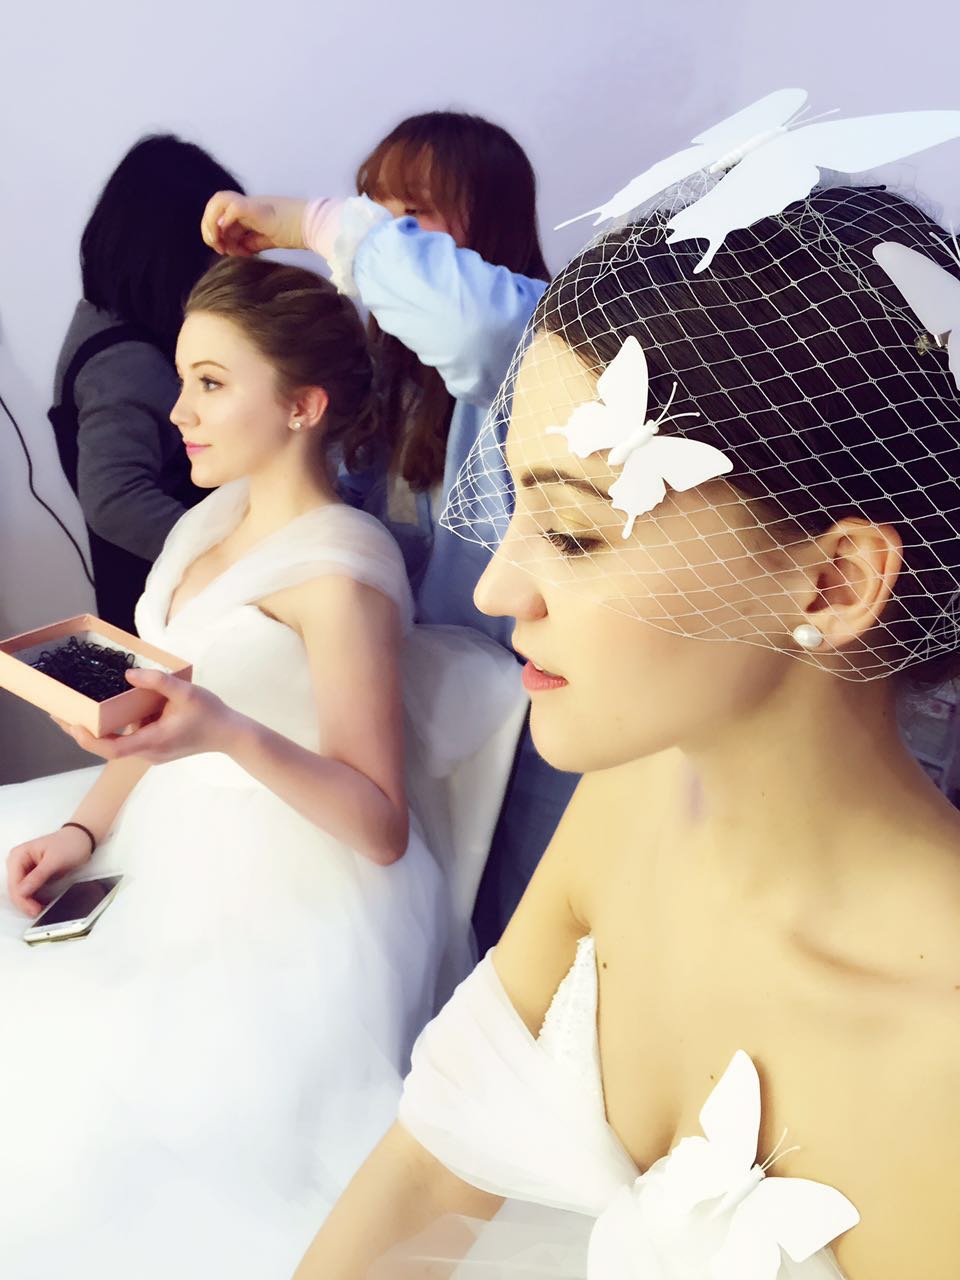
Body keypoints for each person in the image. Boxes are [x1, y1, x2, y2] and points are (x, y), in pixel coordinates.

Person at [290, 172, 960, 1280]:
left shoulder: (939, 1061)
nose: (498, 588)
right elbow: (427, 1173)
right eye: (517, 507)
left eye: (574, 534)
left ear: (834, 581)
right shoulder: (627, 806)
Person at [0, 257, 520, 1278]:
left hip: (296, 886)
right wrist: (82, 828)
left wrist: (229, 734)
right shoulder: (207, 526)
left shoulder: (341, 575)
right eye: (184, 379)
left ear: (302, 405)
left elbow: (380, 827)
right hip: (167, 832)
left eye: (210, 382)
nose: (178, 412)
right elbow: (162, 723)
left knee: (119, 1117)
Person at [200, 112, 580, 947]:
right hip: (422, 704)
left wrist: (312, 222)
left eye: (416, 213)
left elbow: (475, 327)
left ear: (492, 224)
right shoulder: (388, 379)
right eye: (377, 208)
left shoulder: (546, 337)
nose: (390, 234)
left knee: (537, 924)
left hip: (539, 707)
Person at [50, 134, 244, 631]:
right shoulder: (125, 361)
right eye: (217, 246)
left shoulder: (105, 321)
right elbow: (115, 500)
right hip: (167, 615)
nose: (227, 264)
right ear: (176, 250)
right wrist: (234, 556)